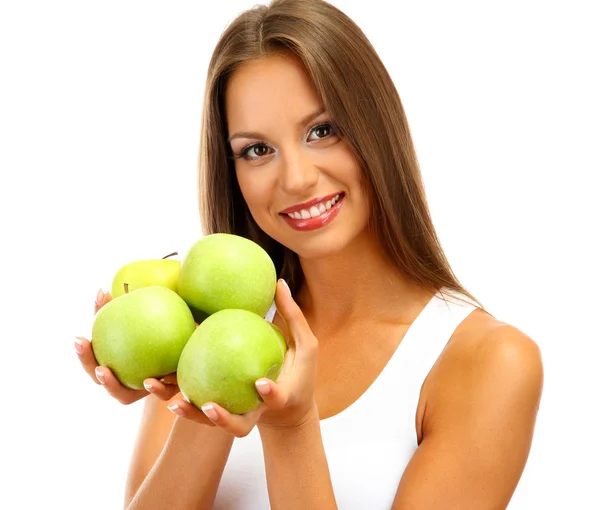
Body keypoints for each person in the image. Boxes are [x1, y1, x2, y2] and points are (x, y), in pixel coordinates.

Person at [75, 0, 544, 508]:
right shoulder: (206, 325)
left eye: (322, 130)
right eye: (257, 149)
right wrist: (201, 396)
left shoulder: (489, 361)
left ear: (377, 128)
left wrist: (291, 426)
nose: (296, 179)